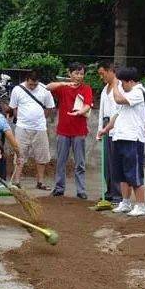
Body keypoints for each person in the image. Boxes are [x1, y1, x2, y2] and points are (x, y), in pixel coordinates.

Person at [98, 67, 145, 216]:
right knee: (121, 174)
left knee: (134, 174)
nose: (121, 86)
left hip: (133, 139)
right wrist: (105, 129)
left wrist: (114, 85)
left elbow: (118, 99)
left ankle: (140, 205)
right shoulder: (127, 92)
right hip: (119, 137)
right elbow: (116, 115)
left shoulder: (138, 92)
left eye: (122, 83)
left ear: (131, 81)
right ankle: (125, 203)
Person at [47, 63, 93, 199]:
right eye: (76, 73)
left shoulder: (86, 88)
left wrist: (80, 112)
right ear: (70, 73)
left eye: (81, 74)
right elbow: (48, 87)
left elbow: (88, 105)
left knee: (80, 163)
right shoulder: (63, 88)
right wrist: (64, 83)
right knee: (61, 161)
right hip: (63, 131)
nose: (79, 76)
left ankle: (81, 190)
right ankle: (59, 188)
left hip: (79, 131)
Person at [8, 70, 55, 190]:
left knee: (42, 156)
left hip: (40, 128)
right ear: (26, 80)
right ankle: (16, 181)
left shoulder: (45, 89)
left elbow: (49, 108)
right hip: (22, 128)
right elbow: (13, 108)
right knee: (19, 154)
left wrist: (40, 118)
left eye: (35, 84)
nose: (33, 87)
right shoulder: (17, 90)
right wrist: (21, 119)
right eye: (30, 85)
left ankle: (40, 182)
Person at [96, 62, 122, 204]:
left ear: (111, 71)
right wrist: (100, 129)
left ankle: (118, 195)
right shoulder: (105, 89)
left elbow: (119, 111)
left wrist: (111, 128)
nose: (101, 77)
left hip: (116, 127)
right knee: (107, 163)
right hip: (106, 125)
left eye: (102, 73)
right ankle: (110, 191)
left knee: (115, 162)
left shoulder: (119, 88)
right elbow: (101, 111)